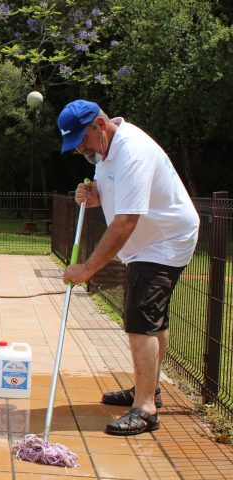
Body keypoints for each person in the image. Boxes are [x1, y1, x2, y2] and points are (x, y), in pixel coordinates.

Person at [57, 99, 199, 436]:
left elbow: (125, 222)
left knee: (140, 322)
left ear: (100, 125)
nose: (80, 148)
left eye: (83, 139)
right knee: (151, 318)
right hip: (151, 243)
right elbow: (118, 197)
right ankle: (149, 389)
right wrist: (94, 197)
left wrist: (87, 270)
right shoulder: (105, 153)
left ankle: (146, 408)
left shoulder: (131, 151)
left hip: (164, 241)